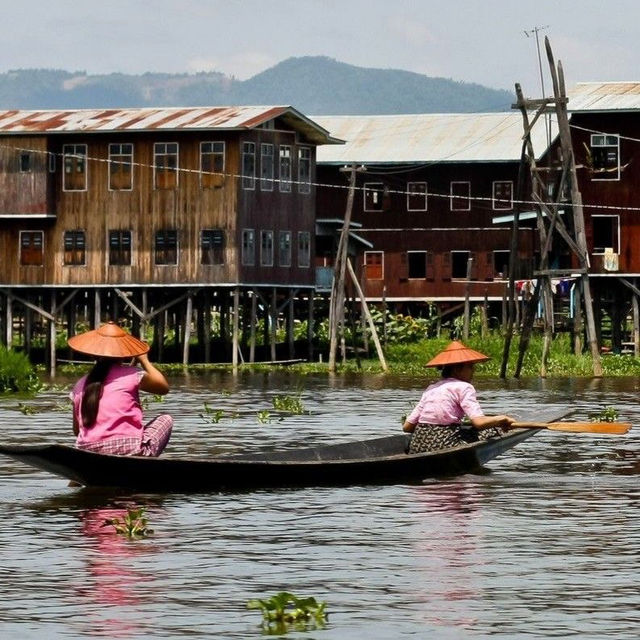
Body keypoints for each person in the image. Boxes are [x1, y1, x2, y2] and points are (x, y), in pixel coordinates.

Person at [68, 322, 173, 457]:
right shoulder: (133, 374)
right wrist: (144, 360)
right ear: (123, 354)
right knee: (166, 419)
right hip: (129, 449)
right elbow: (163, 387)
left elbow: (78, 431)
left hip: (87, 451)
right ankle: (142, 461)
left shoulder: (80, 385)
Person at [403, 341, 514, 454]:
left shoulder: (431, 388)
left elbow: (407, 427)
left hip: (417, 446)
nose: (473, 370)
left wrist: (431, 428)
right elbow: (479, 423)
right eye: (470, 367)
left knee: (464, 431)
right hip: (444, 445)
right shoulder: (464, 387)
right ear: (457, 369)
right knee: (491, 430)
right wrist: (502, 419)